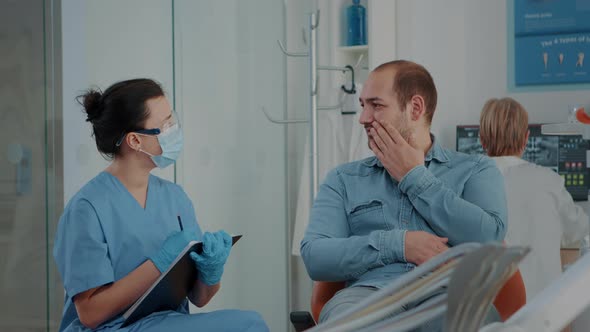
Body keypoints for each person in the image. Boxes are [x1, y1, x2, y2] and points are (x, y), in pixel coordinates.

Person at [300, 60, 507, 329]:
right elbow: (315, 256)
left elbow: (490, 238)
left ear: (415, 108)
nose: (363, 118)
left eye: (376, 105)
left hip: (448, 295)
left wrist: (414, 177)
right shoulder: (343, 179)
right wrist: (399, 244)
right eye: (363, 105)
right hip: (368, 296)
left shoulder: (475, 170)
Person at [53, 78, 268, 331]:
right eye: (165, 126)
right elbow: (90, 313)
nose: (174, 130)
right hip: (112, 328)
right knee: (247, 326)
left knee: (250, 323)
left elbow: (199, 298)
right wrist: (158, 263)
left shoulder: (175, 198)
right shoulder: (87, 208)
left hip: (166, 322)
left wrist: (211, 271)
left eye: (172, 120)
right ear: (135, 141)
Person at [479, 97, 590, 301]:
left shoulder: (467, 185)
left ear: (481, 139)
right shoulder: (549, 180)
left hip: (490, 316)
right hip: (542, 314)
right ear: (526, 138)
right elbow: (579, 229)